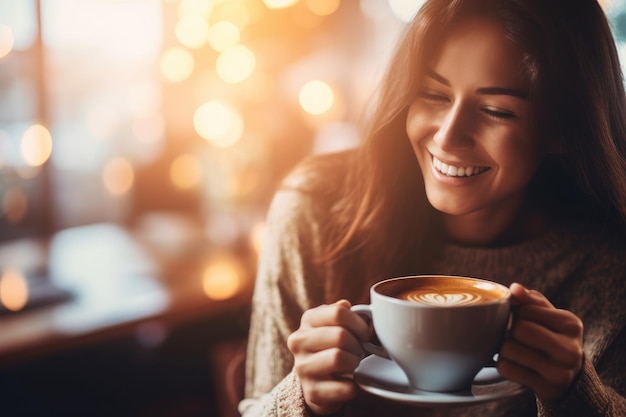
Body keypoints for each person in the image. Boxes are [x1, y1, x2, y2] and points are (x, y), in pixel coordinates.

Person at [238, 0, 626, 416]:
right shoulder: (315, 212)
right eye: (433, 94)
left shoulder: (607, 261)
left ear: (564, 127)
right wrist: (303, 399)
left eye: (496, 111)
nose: (448, 136)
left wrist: (576, 397)